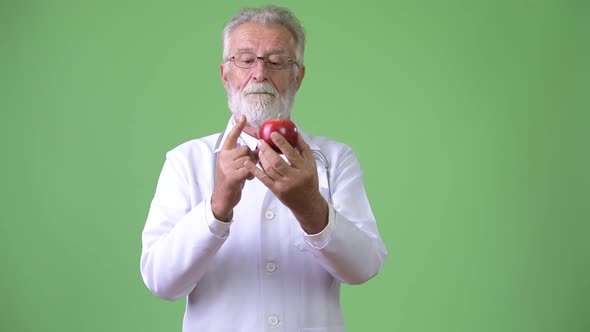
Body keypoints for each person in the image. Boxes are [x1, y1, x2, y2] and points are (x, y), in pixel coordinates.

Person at [140, 5, 387, 332]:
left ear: (297, 77)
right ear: (225, 74)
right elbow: (161, 281)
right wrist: (218, 206)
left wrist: (312, 209)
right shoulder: (186, 161)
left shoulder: (334, 158)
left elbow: (364, 267)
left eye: (276, 61)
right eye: (244, 59)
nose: (259, 73)